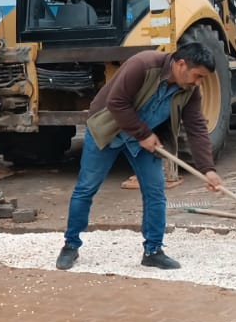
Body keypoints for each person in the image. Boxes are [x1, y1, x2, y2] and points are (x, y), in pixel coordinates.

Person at [57, 42, 225, 271]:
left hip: (145, 140)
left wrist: (208, 169)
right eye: (197, 76)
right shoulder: (143, 65)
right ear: (181, 64)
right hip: (108, 131)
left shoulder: (190, 90)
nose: (198, 83)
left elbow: (196, 127)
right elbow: (116, 102)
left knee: (155, 192)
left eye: (202, 79)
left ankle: (153, 250)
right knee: (86, 187)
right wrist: (143, 133)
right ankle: (70, 246)